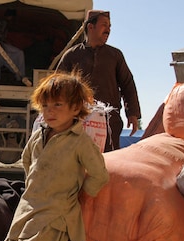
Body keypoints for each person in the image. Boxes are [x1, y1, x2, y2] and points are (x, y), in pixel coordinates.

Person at [0, 71, 109, 241]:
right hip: (28, 207)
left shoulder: (80, 142)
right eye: (45, 105)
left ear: (75, 109)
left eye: (57, 105)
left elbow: (100, 174)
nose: (49, 111)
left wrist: (79, 198)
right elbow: (27, 162)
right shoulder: (38, 136)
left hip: (54, 213)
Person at [56, 10, 141, 152]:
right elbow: (57, 86)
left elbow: (127, 84)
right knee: (77, 159)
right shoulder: (72, 55)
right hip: (78, 120)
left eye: (110, 26)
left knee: (108, 162)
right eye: (104, 25)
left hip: (109, 121)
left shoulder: (115, 55)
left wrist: (133, 113)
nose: (108, 29)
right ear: (91, 27)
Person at [0, 8, 26, 83]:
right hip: (0, 45)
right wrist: (4, 44)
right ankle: (20, 77)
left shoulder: (2, 22)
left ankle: (18, 76)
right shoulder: (3, 22)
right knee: (19, 53)